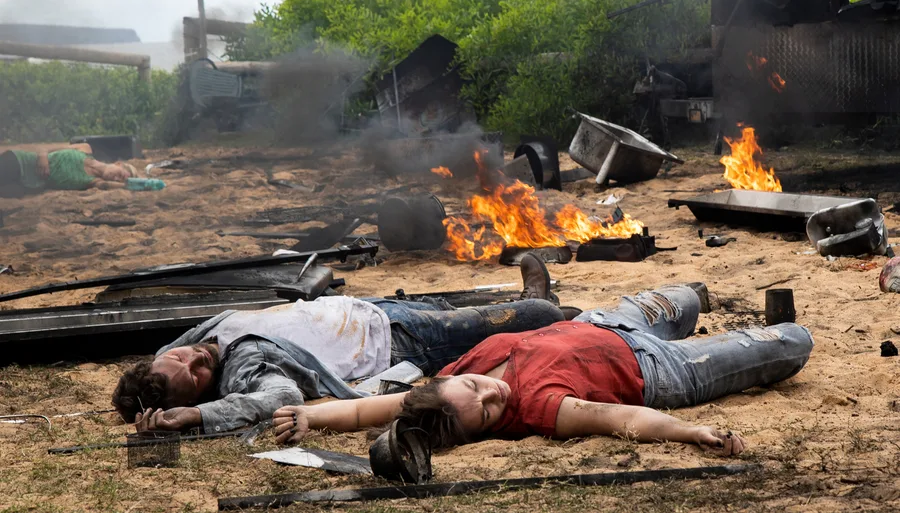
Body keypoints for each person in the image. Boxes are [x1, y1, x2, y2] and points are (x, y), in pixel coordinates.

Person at [272, 284, 814, 456]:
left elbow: (369, 409)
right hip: (658, 368)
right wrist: (691, 432)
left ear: (448, 378)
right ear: (484, 431)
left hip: (606, 321)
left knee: (686, 298)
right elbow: (622, 419)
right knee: (793, 341)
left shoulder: (452, 379)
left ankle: (685, 306)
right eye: (487, 413)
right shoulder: (541, 408)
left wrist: (309, 416)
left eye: (476, 387)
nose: (494, 394)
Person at [112, 254, 566, 434]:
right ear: (203, 393)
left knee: (451, 306)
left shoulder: (194, 343)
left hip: (370, 309)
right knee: (535, 316)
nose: (195, 357)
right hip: (396, 341)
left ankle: (529, 311)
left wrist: (151, 390)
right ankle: (542, 309)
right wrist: (196, 416)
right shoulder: (243, 367)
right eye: (195, 376)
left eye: (180, 356)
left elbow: (168, 363)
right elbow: (280, 397)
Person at [0, 143, 136, 198]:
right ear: (118, 164)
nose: (115, 178)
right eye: (120, 174)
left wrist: (131, 185)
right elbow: (46, 147)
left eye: (118, 181)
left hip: (25, 186)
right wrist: (43, 155)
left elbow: (105, 186)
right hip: (22, 162)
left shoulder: (93, 182)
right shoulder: (85, 148)